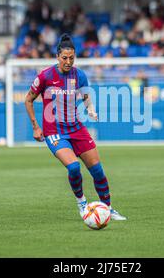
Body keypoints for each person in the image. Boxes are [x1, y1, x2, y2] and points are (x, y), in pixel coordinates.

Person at [24, 34, 126, 221]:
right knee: (73, 167)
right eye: (65, 58)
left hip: (76, 128)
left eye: (72, 58)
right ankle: (82, 203)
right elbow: (28, 99)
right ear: (57, 57)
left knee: (98, 171)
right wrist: (35, 127)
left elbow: (86, 97)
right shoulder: (45, 76)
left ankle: (108, 209)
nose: (68, 61)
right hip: (55, 132)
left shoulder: (80, 75)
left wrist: (91, 110)